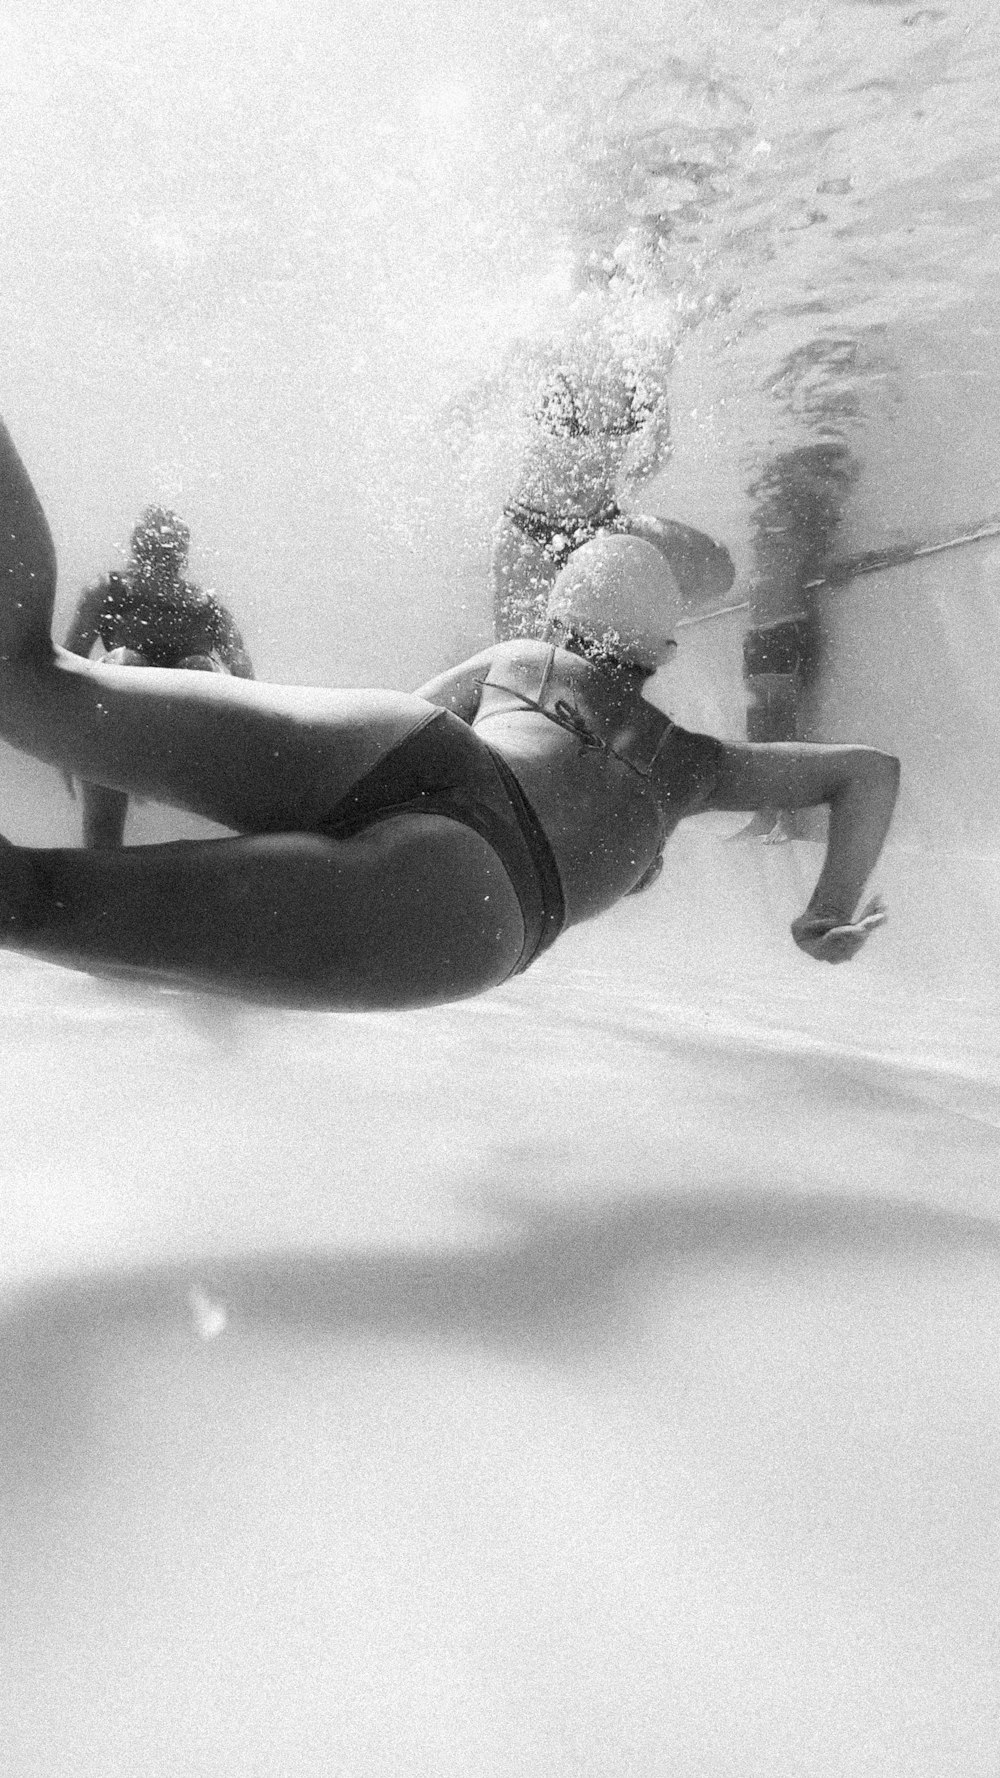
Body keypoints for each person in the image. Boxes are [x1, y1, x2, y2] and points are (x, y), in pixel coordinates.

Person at [0, 418, 897, 1011]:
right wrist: (827, 909)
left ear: (561, 620)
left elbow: (423, 716)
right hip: (486, 903)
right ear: (663, 653)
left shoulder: (522, 660)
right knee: (26, 902)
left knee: (28, 678)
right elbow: (868, 772)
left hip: (418, 749)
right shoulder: (693, 766)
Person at [492, 359, 736, 641]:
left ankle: (599, 627)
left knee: (719, 571)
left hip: (605, 523)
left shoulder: (637, 357)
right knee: (524, 666)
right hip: (530, 532)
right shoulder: (551, 352)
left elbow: (659, 451)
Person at [62, 506, 255, 847]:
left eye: (169, 551)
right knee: (123, 662)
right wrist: (64, 746)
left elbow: (248, 685)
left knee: (196, 665)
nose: (161, 558)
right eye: (155, 549)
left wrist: (252, 762)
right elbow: (66, 669)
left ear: (181, 556)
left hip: (188, 731)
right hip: (118, 728)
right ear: (138, 549)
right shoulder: (108, 591)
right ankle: (103, 858)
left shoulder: (206, 605)